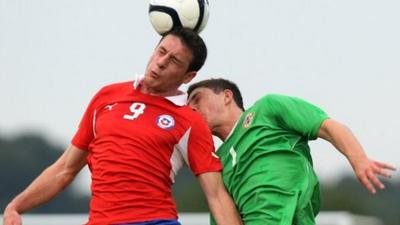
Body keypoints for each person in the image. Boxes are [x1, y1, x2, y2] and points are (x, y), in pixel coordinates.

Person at [3, 29, 243, 225]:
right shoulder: (106, 97)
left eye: (173, 61)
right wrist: (16, 206)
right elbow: (65, 169)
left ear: (188, 76)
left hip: (154, 222)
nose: (160, 63)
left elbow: (216, 195)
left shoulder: (189, 120)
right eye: (161, 52)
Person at [187, 78, 396, 225]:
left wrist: (359, 160)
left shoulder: (266, 109)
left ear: (226, 96)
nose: (192, 109)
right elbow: (224, 213)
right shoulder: (214, 163)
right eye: (188, 107)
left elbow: (327, 126)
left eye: (197, 99)